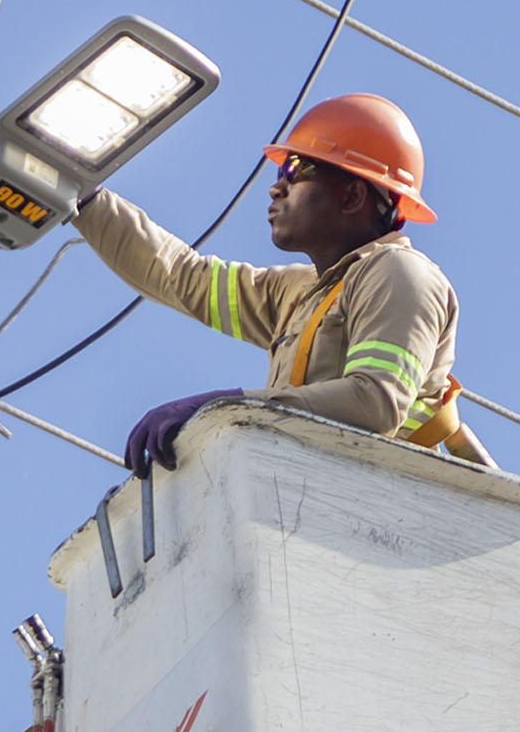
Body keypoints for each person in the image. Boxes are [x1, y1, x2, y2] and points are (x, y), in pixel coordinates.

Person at [72, 93, 468, 473]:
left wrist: (227, 406)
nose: (276, 187)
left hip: (376, 513)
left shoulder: (399, 274)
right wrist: (80, 197)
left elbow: (374, 403)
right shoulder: (301, 293)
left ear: (352, 196)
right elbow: (181, 276)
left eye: (297, 171)